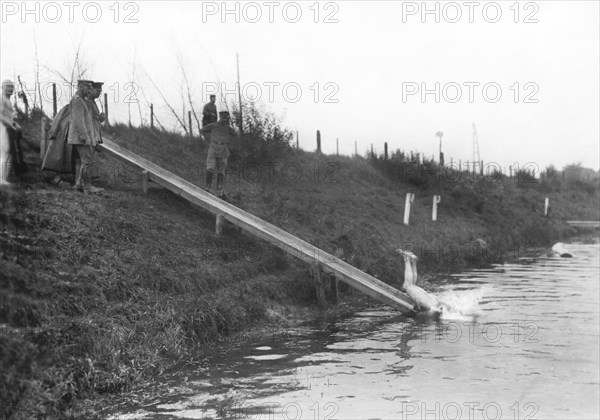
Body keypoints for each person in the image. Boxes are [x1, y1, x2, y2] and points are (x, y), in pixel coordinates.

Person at [67, 80, 103, 195]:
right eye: (88, 88)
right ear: (81, 87)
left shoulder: (80, 100)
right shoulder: (78, 101)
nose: (89, 91)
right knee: (87, 161)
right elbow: (78, 121)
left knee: (86, 161)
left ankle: (79, 185)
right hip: (81, 138)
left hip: (82, 137)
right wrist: (85, 137)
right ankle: (88, 187)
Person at [200, 110, 237, 198]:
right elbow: (202, 130)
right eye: (223, 118)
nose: (225, 120)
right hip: (213, 147)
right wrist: (208, 138)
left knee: (221, 170)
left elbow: (235, 135)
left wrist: (227, 140)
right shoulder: (213, 125)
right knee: (210, 168)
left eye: (226, 118)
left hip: (223, 149)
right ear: (220, 117)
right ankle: (208, 187)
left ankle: (219, 189)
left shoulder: (228, 128)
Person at [0, 79, 26, 184]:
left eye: (12, 87)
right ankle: (1, 179)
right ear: (2, 87)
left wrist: (15, 124)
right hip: (3, 129)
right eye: (8, 86)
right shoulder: (1, 99)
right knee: (5, 153)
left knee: (10, 153)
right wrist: (11, 125)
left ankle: (7, 177)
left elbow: (8, 117)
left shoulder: (8, 100)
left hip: (8, 129)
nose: (11, 89)